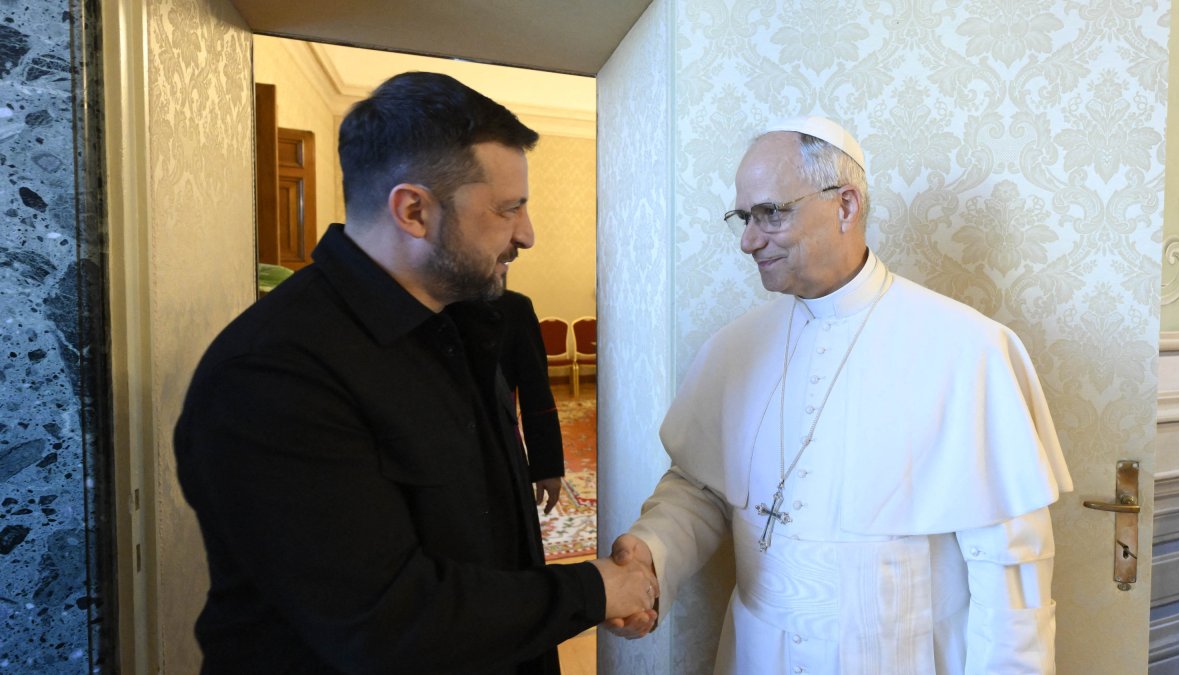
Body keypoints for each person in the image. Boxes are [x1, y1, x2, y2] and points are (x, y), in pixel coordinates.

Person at [174, 71, 657, 675]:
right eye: (509, 210)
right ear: (413, 210)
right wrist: (594, 590)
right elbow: (384, 623)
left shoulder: (456, 325)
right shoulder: (272, 375)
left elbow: (490, 544)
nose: (526, 235)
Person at [605, 116, 1073, 674]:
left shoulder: (968, 348)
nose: (748, 240)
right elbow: (700, 488)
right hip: (758, 656)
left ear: (845, 205)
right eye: (743, 217)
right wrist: (652, 555)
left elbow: (1010, 567)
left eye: (769, 213)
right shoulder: (735, 349)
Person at [492, 285, 565, 514]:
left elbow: (536, 391)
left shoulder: (514, 308)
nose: (524, 246)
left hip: (501, 450)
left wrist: (546, 467)